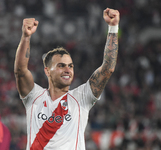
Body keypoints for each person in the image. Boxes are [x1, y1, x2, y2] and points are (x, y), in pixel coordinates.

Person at [14, 8, 120, 150]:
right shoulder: (34, 97)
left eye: (70, 66)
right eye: (61, 66)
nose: (68, 70)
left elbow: (108, 68)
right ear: (47, 71)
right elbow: (20, 71)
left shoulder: (82, 98)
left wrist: (113, 27)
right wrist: (26, 37)